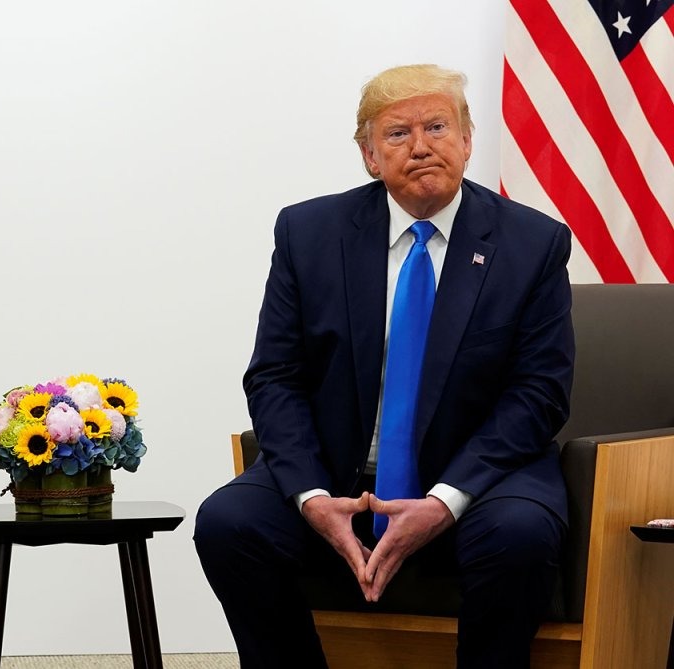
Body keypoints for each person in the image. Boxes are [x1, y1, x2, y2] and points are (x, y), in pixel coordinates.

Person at [194, 64, 574, 668]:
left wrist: (444, 499)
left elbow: (539, 393)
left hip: (477, 477)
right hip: (340, 470)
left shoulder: (533, 244)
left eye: (437, 127)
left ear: (467, 140)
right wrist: (313, 496)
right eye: (398, 133)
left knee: (520, 535)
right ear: (370, 157)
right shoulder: (308, 233)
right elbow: (275, 376)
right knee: (227, 523)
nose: (421, 146)